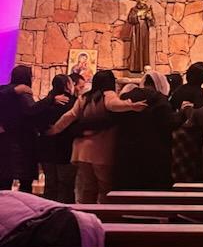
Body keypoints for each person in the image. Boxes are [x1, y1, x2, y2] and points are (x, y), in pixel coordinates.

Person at [48, 70, 147, 203]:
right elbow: (113, 105)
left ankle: (87, 217)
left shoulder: (84, 98)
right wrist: (130, 106)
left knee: (88, 188)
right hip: (101, 149)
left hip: (82, 151)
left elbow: (69, 116)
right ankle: (104, 218)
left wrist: (55, 129)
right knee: (105, 187)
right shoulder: (108, 95)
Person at [114, 71, 181, 190]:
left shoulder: (126, 96)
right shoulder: (160, 99)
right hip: (154, 153)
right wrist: (183, 114)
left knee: (128, 193)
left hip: (128, 151)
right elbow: (169, 123)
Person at [31, 75, 77, 203]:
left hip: (47, 149)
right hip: (66, 149)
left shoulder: (46, 102)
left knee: (50, 185)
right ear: (68, 86)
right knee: (65, 186)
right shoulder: (73, 102)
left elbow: (34, 118)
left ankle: (48, 214)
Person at [0, 66, 39, 192]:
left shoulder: (6, 91)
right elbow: (33, 112)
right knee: (24, 182)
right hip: (22, 140)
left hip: (7, 139)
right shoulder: (22, 93)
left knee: (5, 180)